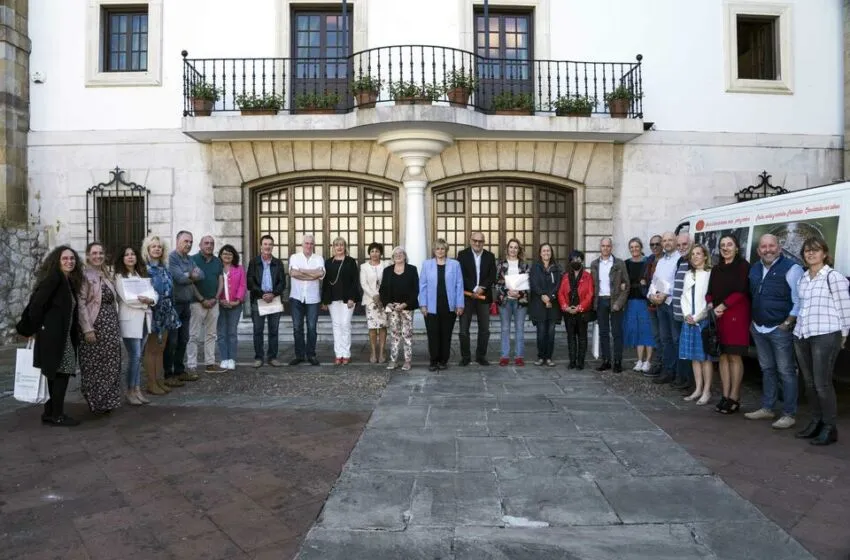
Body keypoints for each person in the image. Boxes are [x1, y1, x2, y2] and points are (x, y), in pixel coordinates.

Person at [16, 246, 83, 426]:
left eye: (72, 258)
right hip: (54, 336)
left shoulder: (66, 280)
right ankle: (57, 414)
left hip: (63, 335)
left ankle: (50, 413)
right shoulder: (54, 279)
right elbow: (36, 305)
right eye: (65, 259)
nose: (69, 261)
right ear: (57, 261)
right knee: (62, 374)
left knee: (54, 374)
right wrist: (36, 328)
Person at [792, 237, 850, 446]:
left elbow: (845, 307)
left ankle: (829, 427)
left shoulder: (833, 277)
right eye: (807, 251)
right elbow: (801, 306)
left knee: (822, 383)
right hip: (802, 334)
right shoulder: (804, 278)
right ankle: (815, 421)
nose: (811, 254)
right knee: (808, 383)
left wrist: (843, 334)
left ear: (825, 254)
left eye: (815, 250)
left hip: (825, 334)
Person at [744, 234, 804, 429]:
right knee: (767, 369)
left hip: (779, 329)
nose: (767, 250)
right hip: (759, 327)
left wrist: (787, 323)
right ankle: (767, 408)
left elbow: (799, 300)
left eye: (771, 246)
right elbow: (752, 295)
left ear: (779, 248)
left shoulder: (792, 268)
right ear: (758, 250)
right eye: (763, 247)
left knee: (786, 371)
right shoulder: (754, 268)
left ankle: (789, 413)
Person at [706, 234, 751, 415]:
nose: (726, 248)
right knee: (723, 356)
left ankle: (734, 397)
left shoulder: (743, 266)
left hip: (736, 315)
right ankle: (725, 395)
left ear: (736, 247)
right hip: (719, 316)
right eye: (723, 245)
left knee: (734, 356)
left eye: (729, 244)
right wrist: (710, 303)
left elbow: (741, 290)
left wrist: (723, 305)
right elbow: (709, 291)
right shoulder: (716, 269)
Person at [78, 242, 123, 415]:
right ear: (88, 255)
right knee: (93, 365)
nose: (98, 256)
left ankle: (108, 401)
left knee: (112, 363)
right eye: (94, 253)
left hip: (110, 325)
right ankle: (95, 401)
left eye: (101, 253)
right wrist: (87, 329)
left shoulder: (105, 273)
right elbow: (81, 303)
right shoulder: (83, 275)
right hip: (95, 324)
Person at [114, 246, 157, 405]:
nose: (130, 257)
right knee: (135, 356)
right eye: (127, 255)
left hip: (144, 321)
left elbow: (153, 293)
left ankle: (137, 389)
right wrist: (146, 302)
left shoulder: (142, 275)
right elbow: (128, 299)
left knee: (138, 358)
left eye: (133, 254)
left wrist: (151, 300)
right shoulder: (119, 277)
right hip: (130, 321)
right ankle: (130, 390)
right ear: (122, 258)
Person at [142, 235, 181, 394]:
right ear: (148, 250)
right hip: (153, 312)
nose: (157, 249)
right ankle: (151, 383)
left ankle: (159, 380)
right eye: (153, 246)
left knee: (161, 348)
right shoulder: (145, 270)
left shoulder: (164, 268)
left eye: (159, 246)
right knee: (151, 349)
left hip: (166, 311)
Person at [419, 238, 464, 371]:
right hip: (431, 306)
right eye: (437, 248)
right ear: (434, 250)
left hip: (449, 305)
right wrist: (423, 304)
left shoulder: (455, 265)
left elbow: (459, 285)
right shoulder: (427, 265)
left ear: (446, 250)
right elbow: (422, 285)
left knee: (446, 334)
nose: (440, 251)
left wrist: (459, 304)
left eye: (442, 248)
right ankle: (433, 361)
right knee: (433, 334)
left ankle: (443, 360)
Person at [679, 244, 715, 405]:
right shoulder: (688, 274)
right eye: (692, 254)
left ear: (705, 256)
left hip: (703, 320)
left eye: (698, 254)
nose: (695, 256)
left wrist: (698, 317)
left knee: (705, 358)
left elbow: (710, 300)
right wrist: (687, 314)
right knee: (694, 357)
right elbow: (683, 297)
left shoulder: (710, 274)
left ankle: (707, 391)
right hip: (689, 320)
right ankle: (698, 389)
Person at [165, 231, 202, 383]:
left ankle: (179, 370)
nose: (188, 244)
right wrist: (190, 275)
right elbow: (178, 278)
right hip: (174, 304)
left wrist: (189, 275)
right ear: (177, 241)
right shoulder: (172, 258)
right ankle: (168, 373)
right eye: (185, 241)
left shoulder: (189, 259)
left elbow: (201, 275)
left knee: (183, 339)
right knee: (172, 341)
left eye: (190, 242)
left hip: (186, 304)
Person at [457, 232, 497, 366]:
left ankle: (481, 356)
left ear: (483, 242)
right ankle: (466, 357)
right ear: (470, 240)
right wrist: (474, 288)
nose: (477, 243)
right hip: (467, 296)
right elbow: (461, 274)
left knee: (484, 329)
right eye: (475, 240)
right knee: (463, 330)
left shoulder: (490, 256)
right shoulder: (462, 255)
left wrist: (482, 287)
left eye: (480, 241)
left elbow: (492, 275)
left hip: (484, 296)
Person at [246, 235, 286, 368]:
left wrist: (273, 294)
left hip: (274, 299)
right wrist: (262, 294)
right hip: (258, 299)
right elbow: (250, 282)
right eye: (265, 244)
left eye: (270, 244)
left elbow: (282, 282)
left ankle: (272, 357)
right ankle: (258, 357)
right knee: (258, 330)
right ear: (261, 246)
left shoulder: (278, 263)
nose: (267, 246)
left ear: (273, 246)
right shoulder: (253, 262)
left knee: (273, 330)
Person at [590, 237, 628, 372]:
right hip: (600, 301)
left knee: (617, 332)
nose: (605, 248)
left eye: (608, 246)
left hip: (615, 301)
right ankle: (606, 360)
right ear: (600, 247)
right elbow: (592, 285)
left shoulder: (619, 263)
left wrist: (619, 303)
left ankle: (617, 361)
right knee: (603, 332)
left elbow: (626, 285)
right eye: (603, 246)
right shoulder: (594, 264)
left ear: (611, 248)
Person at [187, 235, 224, 374]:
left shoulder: (217, 262)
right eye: (206, 243)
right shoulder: (192, 260)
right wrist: (202, 299)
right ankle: (191, 365)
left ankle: (210, 363)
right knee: (193, 335)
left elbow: (220, 280)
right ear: (200, 245)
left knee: (211, 334)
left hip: (214, 303)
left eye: (212, 243)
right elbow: (190, 282)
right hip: (197, 303)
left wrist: (215, 298)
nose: (209, 245)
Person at [380, 246, 419, 371]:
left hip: (407, 307)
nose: (398, 255)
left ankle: (407, 361)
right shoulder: (387, 271)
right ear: (392, 257)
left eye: (401, 253)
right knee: (395, 334)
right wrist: (388, 303)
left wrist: (405, 304)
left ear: (405, 256)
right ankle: (393, 360)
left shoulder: (412, 270)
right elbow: (383, 290)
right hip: (392, 308)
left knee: (407, 334)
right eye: (396, 253)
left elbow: (415, 290)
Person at [322, 237, 360, 365]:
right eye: (336, 245)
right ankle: (338, 354)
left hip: (347, 299)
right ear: (333, 247)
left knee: (345, 324)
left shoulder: (350, 262)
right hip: (332, 299)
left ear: (345, 247)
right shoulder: (328, 262)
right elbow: (326, 283)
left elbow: (355, 281)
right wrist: (324, 301)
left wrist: (352, 298)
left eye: (341, 245)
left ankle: (346, 353)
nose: (339, 247)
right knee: (336, 325)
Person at [289, 234, 325, 366]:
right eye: (306, 243)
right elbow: (293, 273)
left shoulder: (319, 258)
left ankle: (311, 355)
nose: (309, 246)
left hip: (313, 298)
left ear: (314, 245)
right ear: (302, 244)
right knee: (297, 327)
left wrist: (302, 271)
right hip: (296, 297)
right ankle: (299, 355)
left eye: (311, 243)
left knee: (311, 327)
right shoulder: (294, 257)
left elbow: (320, 274)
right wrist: (312, 274)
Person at [647, 232, 680, 381]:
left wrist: (665, 294)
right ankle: (667, 371)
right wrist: (651, 295)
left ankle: (678, 373)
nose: (666, 243)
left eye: (670, 240)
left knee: (675, 339)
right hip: (660, 304)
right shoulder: (661, 261)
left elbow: (679, 282)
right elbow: (655, 281)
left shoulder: (680, 259)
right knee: (664, 338)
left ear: (676, 241)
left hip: (673, 304)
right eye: (664, 240)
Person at [665, 233, 695, 390]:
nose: (682, 248)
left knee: (687, 347)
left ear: (692, 244)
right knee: (679, 345)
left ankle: (688, 380)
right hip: (675, 311)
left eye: (685, 244)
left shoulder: (694, 262)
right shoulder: (680, 261)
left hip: (687, 313)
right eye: (679, 245)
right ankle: (680, 376)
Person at [495, 238, 530, 366]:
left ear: (518, 249)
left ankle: (519, 356)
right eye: (511, 247)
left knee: (519, 328)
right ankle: (504, 356)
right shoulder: (501, 265)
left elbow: (528, 284)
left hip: (520, 301)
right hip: (505, 301)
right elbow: (497, 283)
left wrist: (519, 293)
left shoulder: (524, 265)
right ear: (507, 249)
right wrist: (507, 291)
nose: (513, 250)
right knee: (505, 329)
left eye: (516, 247)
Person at [558, 250, 594, 369]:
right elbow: (561, 294)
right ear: (570, 262)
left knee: (582, 337)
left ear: (582, 261)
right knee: (571, 337)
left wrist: (579, 308)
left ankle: (580, 362)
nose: (576, 261)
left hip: (582, 311)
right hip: (569, 311)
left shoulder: (587, 276)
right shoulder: (565, 277)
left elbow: (590, 294)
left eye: (578, 259)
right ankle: (572, 361)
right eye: (573, 259)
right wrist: (566, 307)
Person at [622, 238, 654, 372]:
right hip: (631, 301)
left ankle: (648, 361)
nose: (634, 249)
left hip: (644, 300)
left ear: (641, 247)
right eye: (632, 247)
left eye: (637, 246)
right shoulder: (626, 263)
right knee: (636, 331)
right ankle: (639, 360)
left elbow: (653, 279)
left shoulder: (648, 262)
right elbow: (623, 279)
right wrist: (622, 284)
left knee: (647, 330)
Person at [529, 243, 563, 366]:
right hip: (539, 303)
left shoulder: (557, 268)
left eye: (548, 251)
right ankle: (540, 357)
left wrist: (550, 297)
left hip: (553, 305)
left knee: (551, 332)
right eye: (544, 251)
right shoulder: (535, 267)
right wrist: (542, 295)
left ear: (551, 253)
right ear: (540, 253)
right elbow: (533, 284)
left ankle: (548, 357)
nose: (546, 253)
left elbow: (558, 285)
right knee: (541, 331)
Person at [217, 244, 246, 371]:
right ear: (220, 256)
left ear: (234, 256)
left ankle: (232, 359)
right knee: (222, 333)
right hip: (220, 306)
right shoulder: (217, 268)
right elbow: (213, 285)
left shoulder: (239, 268)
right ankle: (224, 358)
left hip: (235, 306)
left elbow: (242, 285)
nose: (227, 256)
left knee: (232, 333)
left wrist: (237, 301)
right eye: (224, 254)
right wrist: (219, 300)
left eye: (230, 254)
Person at [361, 242, 390, 363]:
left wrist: (381, 297)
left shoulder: (386, 265)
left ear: (380, 253)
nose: (374, 253)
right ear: (369, 253)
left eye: (377, 251)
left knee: (383, 327)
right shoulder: (364, 267)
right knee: (372, 328)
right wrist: (374, 296)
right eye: (372, 251)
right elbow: (363, 283)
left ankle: (382, 351)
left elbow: (389, 282)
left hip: (384, 301)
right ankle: (373, 352)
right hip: (370, 301)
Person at [643, 234, 664, 376]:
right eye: (652, 245)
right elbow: (644, 281)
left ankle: (664, 364)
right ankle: (659, 363)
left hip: (663, 302)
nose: (655, 247)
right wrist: (648, 294)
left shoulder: (666, 260)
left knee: (665, 336)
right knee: (656, 335)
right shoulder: (649, 260)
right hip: (651, 303)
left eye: (657, 244)